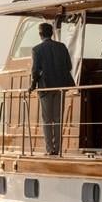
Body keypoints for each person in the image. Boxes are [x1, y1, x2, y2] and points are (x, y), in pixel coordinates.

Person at [29, 22, 74, 156]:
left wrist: (32, 86)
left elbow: (35, 71)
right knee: (58, 119)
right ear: (52, 33)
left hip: (46, 88)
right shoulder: (62, 47)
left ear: (40, 34)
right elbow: (69, 66)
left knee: (47, 120)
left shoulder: (36, 49)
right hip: (60, 87)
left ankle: (50, 149)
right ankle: (58, 149)